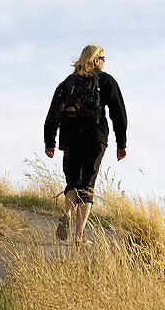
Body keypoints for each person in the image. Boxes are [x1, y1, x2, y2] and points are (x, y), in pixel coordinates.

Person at [44, 44, 127, 244]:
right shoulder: (106, 81)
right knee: (87, 185)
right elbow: (118, 114)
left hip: (70, 136)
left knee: (73, 181)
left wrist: (50, 142)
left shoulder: (67, 83)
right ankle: (79, 236)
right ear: (96, 60)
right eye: (103, 58)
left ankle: (68, 214)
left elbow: (52, 113)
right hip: (95, 137)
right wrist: (121, 143)